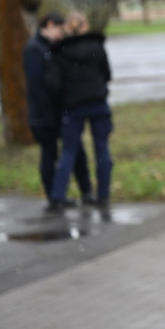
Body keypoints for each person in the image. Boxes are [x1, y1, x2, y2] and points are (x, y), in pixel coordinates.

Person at [23, 12, 94, 212]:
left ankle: (86, 190)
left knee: (76, 151)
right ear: (50, 25)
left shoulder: (54, 47)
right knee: (50, 155)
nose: (62, 35)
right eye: (60, 30)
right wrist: (48, 114)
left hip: (64, 112)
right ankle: (54, 197)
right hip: (44, 115)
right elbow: (38, 87)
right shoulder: (34, 50)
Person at [45, 11, 114, 208]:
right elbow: (107, 74)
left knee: (68, 152)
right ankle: (103, 194)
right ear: (85, 26)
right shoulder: (97, 47)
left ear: (68, 28)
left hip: (73, 106)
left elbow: (53, 84)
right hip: (98, 102)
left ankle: (58, 195)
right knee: (102, 149)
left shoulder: (60, 52)